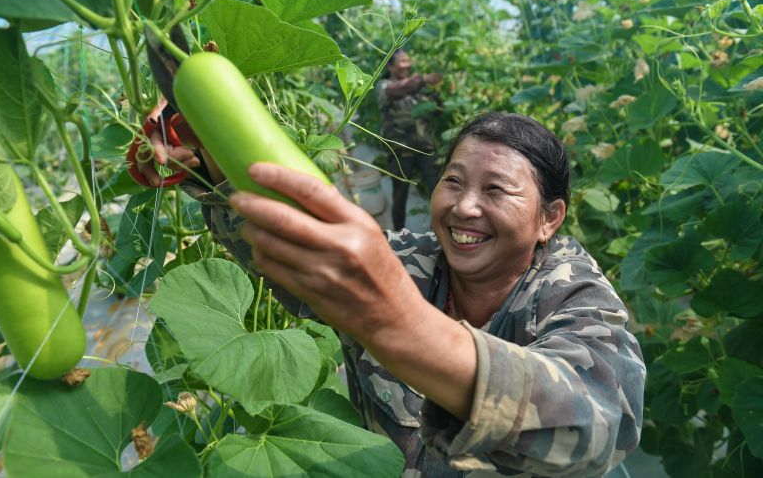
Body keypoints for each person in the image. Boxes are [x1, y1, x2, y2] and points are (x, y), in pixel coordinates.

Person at [138, 112, 645, 477]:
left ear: (549, 218)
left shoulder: (576, 296)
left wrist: (397, 322)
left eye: (496, 191)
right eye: (453, 181)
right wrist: (208, 158)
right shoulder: (404, 260)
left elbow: (598, 426)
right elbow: (295, 255)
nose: (465, 207)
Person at [376, 49, 443, 230]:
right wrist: (424, 79)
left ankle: (442, 231)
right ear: (390, 65)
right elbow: (397, 91)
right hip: (401, 151)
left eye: (408, 60)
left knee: (439, 192)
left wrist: (438, 94)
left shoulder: (417, 88)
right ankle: (398, 236)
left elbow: (436, 110)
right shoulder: (384, 86)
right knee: (399, 196)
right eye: (402, 61)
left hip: (426, 149)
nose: (408, 64)